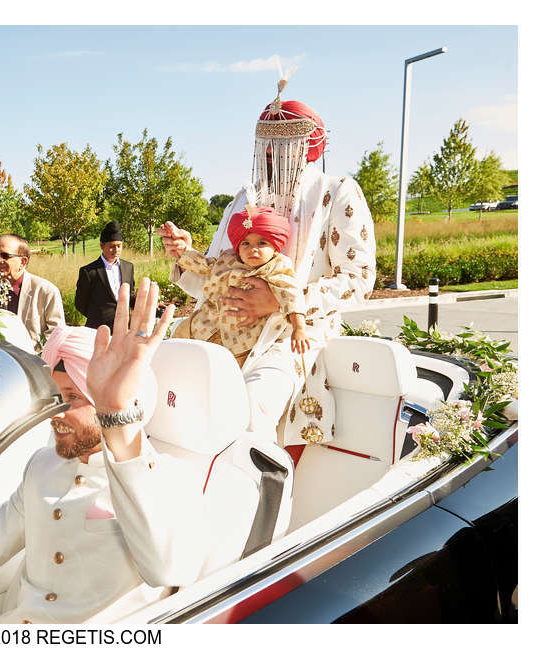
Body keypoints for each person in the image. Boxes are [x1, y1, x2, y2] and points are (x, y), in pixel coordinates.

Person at [0, 279, 212, 624]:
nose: (55, 413)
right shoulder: (42, 465)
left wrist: (116, 413)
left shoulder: (169, 477)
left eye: (73, 397)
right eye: (54, 397)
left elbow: (167, 569)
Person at [159, 81, 376, 448]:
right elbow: (214, 277)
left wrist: (280, 301)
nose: (274, 158)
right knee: (168, 397)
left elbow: (358, 280)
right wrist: (185, 254)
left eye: (284, 148)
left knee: (249, 411)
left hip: (293, 335)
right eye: (268, 149)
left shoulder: (337, 192)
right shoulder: (245, 199)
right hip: (221, 329)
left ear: (309, 148)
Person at [166, 204, 309, 367]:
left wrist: (299, 327)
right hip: (206, 322)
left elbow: (291, 294)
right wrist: (184, 251)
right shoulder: (228, 258)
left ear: (275, 247)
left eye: (262, 243)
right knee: (181, 354)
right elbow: (205, 266)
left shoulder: (277, 266)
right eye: (245, 243)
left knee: (224, 371)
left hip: (241, 338)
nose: (253, 249)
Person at [0, 234, 65, 352]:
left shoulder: (46, 290)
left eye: (5, 256)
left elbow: (57, 333)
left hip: (32, 363)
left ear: (22, 262)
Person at [74, 221, 135, 332]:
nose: (116, 250)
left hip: (125, 327)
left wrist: (147, 304)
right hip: (97, 329)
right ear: (102, 245)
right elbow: (80, 303)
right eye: (112, 246)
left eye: (119, 246)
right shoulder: (88, 271)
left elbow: (130, 295)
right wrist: (97, 316)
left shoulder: (128, 267)